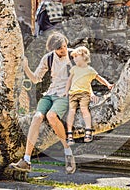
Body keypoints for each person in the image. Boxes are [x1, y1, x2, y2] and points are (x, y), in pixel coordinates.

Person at [9, 32, 76, 174]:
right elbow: (35, 79)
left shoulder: (74, 55)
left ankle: (67, 151)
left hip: (64, 95)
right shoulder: (49, 58)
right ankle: (26, 160)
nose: (63, 50)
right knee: (37, 117)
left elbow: (87, 73)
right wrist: (25, 66)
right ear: (53, 49)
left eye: (64, 46)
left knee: (51, 116)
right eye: (59, 48)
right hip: (50, 94)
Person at [65, 46, 113, 145]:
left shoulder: (90, 70)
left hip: (84, 94)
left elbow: (99, 78)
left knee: (84, 109)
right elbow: (69, 80)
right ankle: (69, 134)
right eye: (73, 57)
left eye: (76, 56)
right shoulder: (74, 69)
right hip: (73, 94)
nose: (74, 59)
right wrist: (66, 91)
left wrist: (108, 84)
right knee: (72, 111)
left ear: (83, 56)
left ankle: (88, 130)